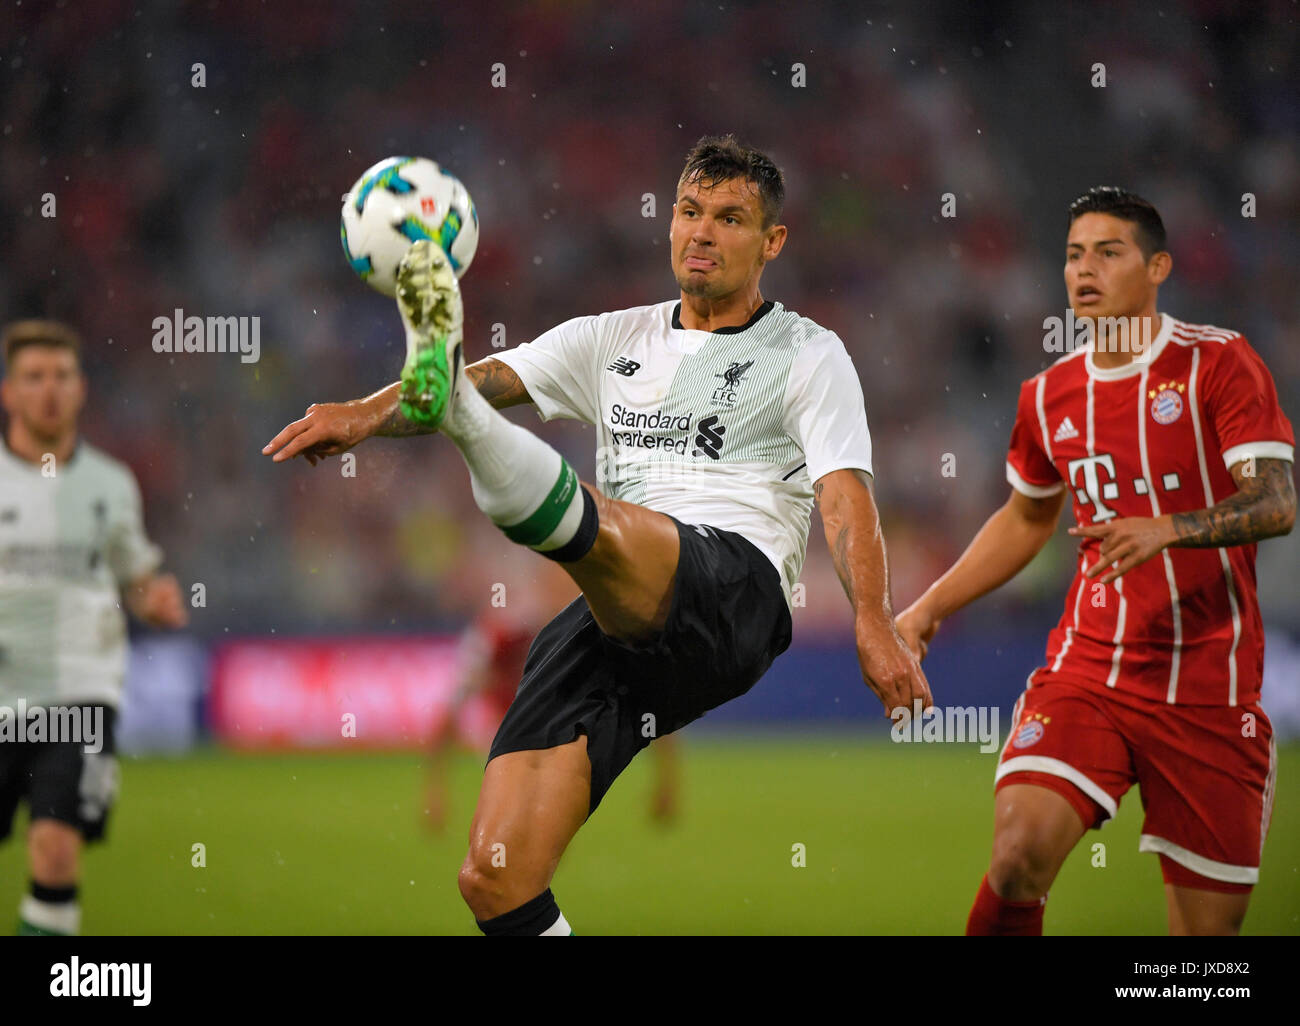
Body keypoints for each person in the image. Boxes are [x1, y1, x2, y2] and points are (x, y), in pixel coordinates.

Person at [265, 134, 930, 936]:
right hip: (614, 615)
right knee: (496, 879)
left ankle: (473, 431)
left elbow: (842, 496)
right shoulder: (612, 339)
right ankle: (467, 420)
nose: (701, 232)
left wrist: (873, 620)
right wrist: (360, 417)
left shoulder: (810, 354)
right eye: (689, 211)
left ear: (772, 241)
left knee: (595, 524)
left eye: (729, 218)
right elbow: (493, 376)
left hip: (734, 590)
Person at [896, 187, 1295, 936]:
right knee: (1018, 852)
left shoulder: (1219, 363)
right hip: (1091, 672)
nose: (1084, 270)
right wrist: (929, 607)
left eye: (1109, 253)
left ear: (1157, 268)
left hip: (1208, 687)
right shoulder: (1048, 395)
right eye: (1075, 254)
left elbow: (1276, 502)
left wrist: (1167, 529)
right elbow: (1024, 518)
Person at [0, 319, 187, 935]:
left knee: (55, 847)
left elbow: (135, 573)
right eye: (33, 377)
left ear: (81, 389)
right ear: (9, 392)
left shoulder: (112, 484)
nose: (47, 390)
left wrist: (153, 597)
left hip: (81, 690)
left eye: (60, 376)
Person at [425, 562, 681, 831]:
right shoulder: (502, 633)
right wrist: (435, 789)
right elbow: (455, 704)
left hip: (560, 731)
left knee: (542, 818)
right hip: (507, 731)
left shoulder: (595, 634)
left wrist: (666, 784)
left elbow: (646, 703)